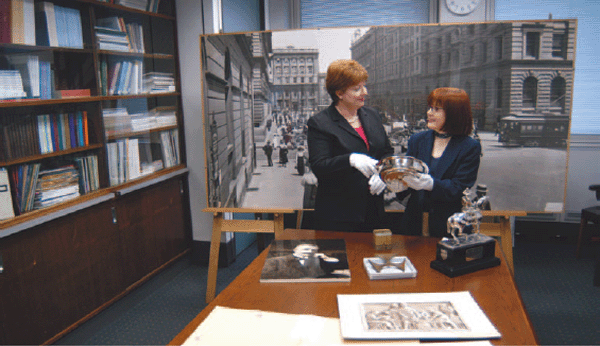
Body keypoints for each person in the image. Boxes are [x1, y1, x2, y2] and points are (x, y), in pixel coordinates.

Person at [307, 59, 394, 231]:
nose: (365, 92)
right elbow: (319, 166)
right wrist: (350, 159)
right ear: (339, 93)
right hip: (339, 216)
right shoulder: (320, 122)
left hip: (373, 212)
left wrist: (385, 174)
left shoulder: (372, 115)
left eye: (364, 86)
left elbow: (387, 151)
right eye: (357, 89)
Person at [391, 87, 481, 237]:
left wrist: (431, 184)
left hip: (448, 226)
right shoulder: (417, 140)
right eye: (430, 108)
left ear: (454, 113)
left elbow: (459, 187)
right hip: (414, 222)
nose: (429, 113)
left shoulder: (469, 147)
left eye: (436, 109)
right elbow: (407, 180)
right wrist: (397, 184)